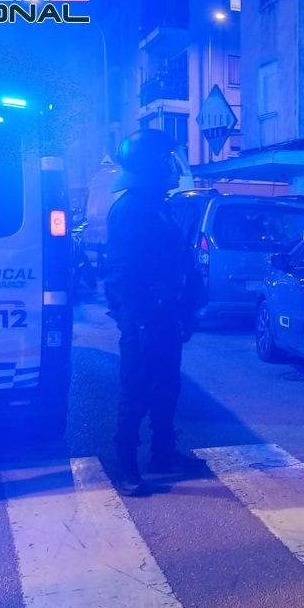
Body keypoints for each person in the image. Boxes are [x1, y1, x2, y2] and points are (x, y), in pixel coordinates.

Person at [105, 130, 206, 496]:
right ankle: (126, 465)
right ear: (148, 164)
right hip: (145, 318)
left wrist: (187, 306)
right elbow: (121, 272)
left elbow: (176, 261)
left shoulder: (154, 205)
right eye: (163, 159)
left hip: (164, 316)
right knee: (136, 390)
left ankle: (163, 454)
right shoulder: (132, 208)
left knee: (166, 386)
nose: (170, 165)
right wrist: (138, 317)